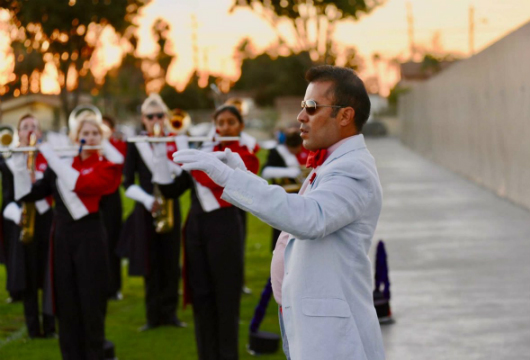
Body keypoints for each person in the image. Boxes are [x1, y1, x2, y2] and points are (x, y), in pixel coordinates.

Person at [173, 65, 386, 360]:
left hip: (336, 340)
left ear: (345, 115)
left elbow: (307, 218)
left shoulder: (352, 169)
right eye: (302, 107)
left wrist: (231, 179)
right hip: (315, 329)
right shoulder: (332, 164)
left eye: (311, 107)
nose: (300, 117)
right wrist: (240, 174)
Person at [12, 111, 123, 359]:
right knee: (66, 302)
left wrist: (51, 156)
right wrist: (21, 159)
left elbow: (83, 185)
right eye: (86, 133)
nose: (91, 137)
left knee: (91, 301)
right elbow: (29, 194)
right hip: (62, 239)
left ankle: (95, 352)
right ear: (76, 136)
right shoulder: (63, 163)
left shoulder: (105, 166)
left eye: (96, 133)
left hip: (91, 237)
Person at [154, 104, 259, 360]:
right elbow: (170, 190)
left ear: (240, 127)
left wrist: (191, 156)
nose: (224, 127)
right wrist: (159, 148)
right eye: (220, 123)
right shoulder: (203, 155)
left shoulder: (246, 155)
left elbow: (215, 180)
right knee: (201, 298)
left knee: (226, 300)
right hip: (196, 232)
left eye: (230, 122)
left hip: (225, 230)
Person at [119, 94, 186, 330]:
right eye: (150, 116)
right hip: (146, 206)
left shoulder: (177, 139)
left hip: (171, 203)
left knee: (170, 258)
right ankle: (152, 316)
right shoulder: (135, 143)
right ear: (143, 119)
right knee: (150, 261)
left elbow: (183, 172)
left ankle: (171, 313)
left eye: (160, 115)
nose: (156, 119)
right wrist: (148, 201)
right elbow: (127, 182)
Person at [0, 114, 55, 338]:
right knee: (29, 277)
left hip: (47, 219)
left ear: (39, 133)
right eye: (25, 127)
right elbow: (6, 201)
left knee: (50, 276)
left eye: (34, 126)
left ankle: (51, 327)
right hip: (23, 223)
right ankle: (33, 328)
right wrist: (18, 215)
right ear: (18, 133)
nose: (30, 130)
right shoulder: (9, 162)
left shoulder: (49, 159)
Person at [261, 127, 309, 250]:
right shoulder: (277, 152)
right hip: (282, 199)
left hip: (302, 200)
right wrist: (290, 172)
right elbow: (266, 171)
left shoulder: (307, 150)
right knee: (280, 236)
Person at [100, 115, 126, 300]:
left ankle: (114, 286)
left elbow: (118, 161)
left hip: (111, 198)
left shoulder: (116, 145)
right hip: (94, 198)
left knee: (112, 242)